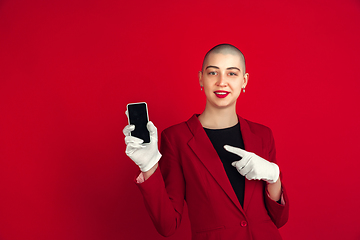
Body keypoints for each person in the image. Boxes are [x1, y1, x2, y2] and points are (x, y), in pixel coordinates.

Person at [123, 44, 289, 240]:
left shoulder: (262, 135)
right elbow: (167, 225)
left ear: (244, 81)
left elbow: (279, 219)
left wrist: (274, 177)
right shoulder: (177, 138)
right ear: (201, 78)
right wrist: (149, 166)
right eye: (213, 73)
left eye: (232, 74)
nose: (222, 82)